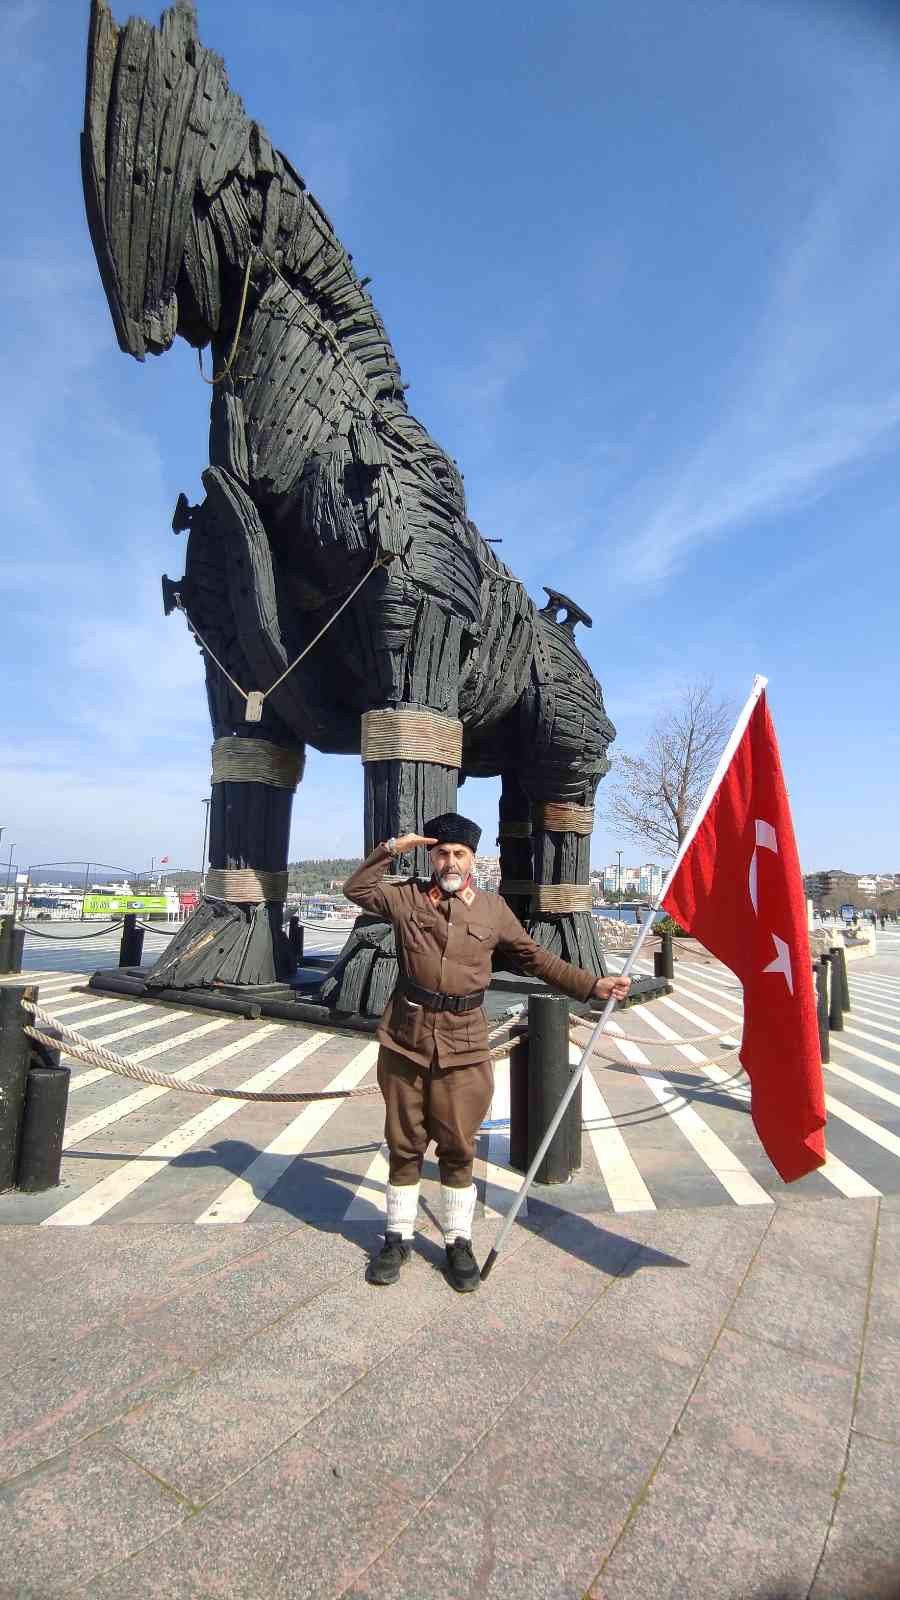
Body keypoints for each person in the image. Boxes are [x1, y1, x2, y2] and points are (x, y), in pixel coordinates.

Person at [343, 813, 631, 1293]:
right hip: (406, 1040)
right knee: (404, 1143)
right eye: (441, 853)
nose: (450, 861)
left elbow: (536, 958)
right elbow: (357, 888)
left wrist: (592, 985)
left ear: (474, 859)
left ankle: (458, 1241)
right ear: (431, 857)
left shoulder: (493, 910)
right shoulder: (407, 897)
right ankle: (396, 1237)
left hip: (465, 1044)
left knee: (458, 1147)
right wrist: (393, 847)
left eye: (459, 854)